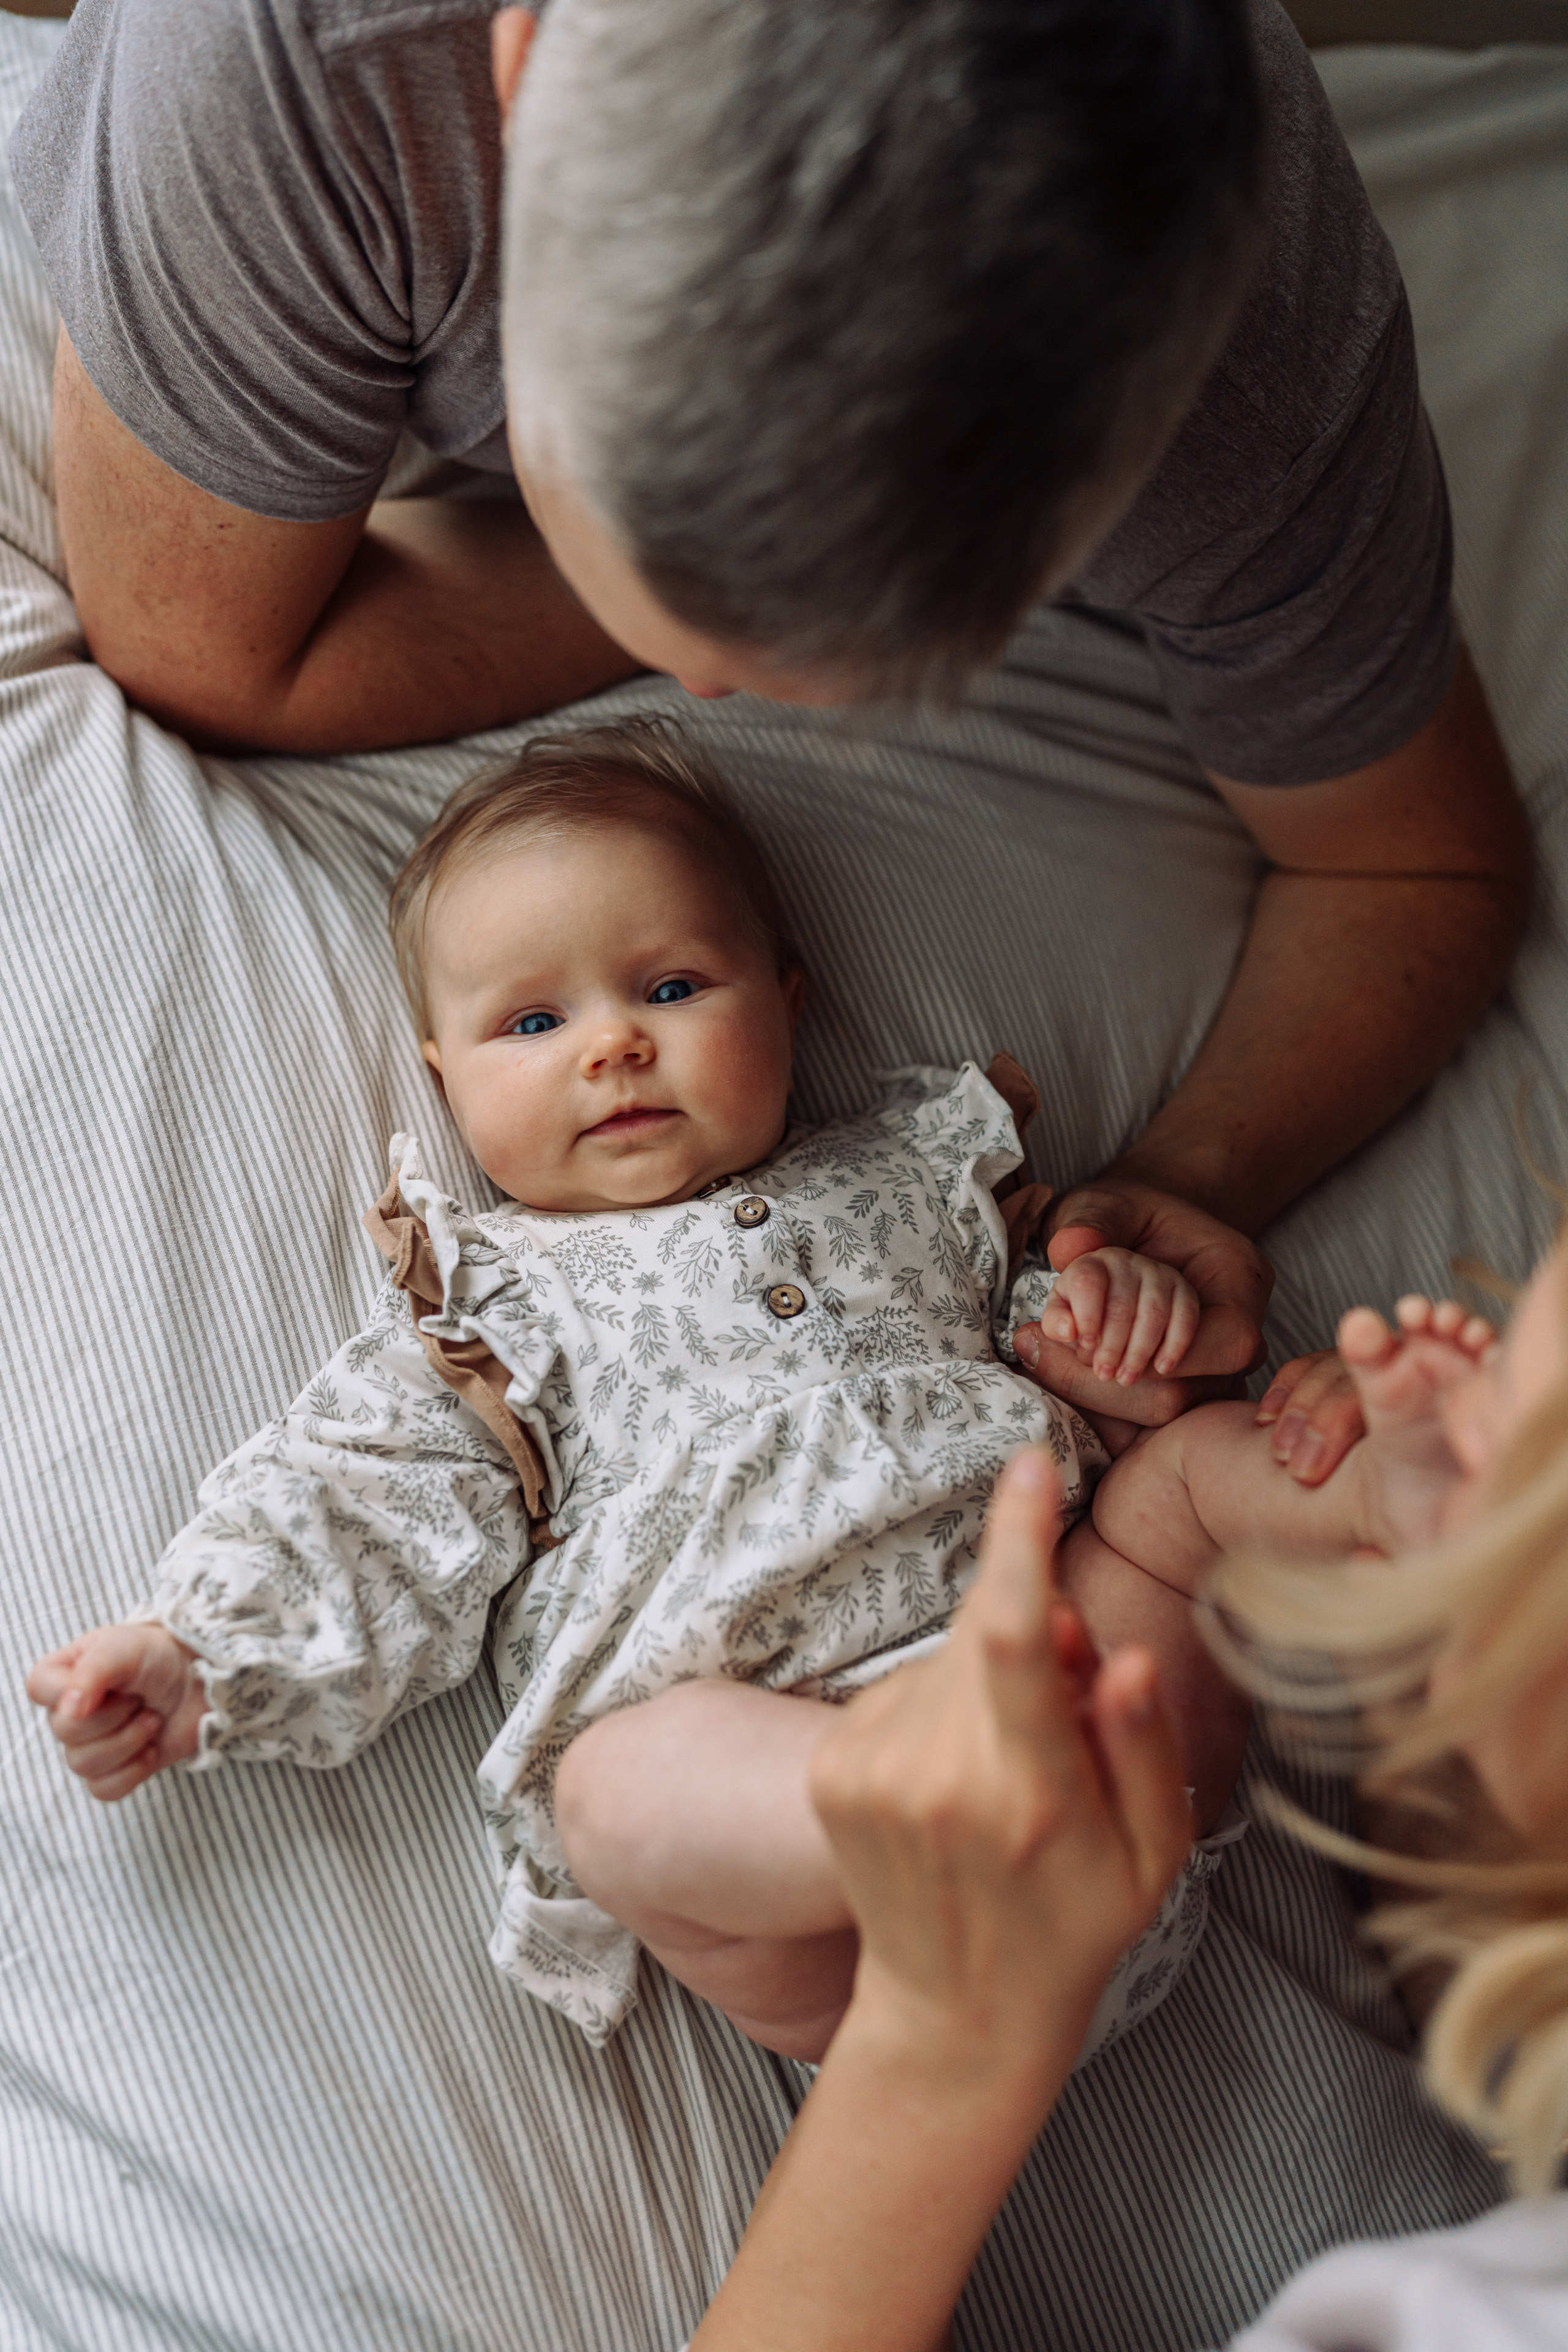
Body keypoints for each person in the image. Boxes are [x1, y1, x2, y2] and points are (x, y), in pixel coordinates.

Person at [6, 0, 1532, 1474]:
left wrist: (1193, 1175)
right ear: (525, 83)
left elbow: (1414, 869)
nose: (707, 702)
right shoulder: (297, 59)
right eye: (689, 610)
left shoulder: (1254, 351)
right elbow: (201, 654)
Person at [26, 716, 1261, 2061]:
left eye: (670, 989)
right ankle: (897, 1784)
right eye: (535, 1021)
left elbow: (1077, 1378)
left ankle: (1383, 1487)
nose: (611, 1047)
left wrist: (1110, 1338)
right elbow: (370, 1503)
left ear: (785, 1003)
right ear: (445, 1076)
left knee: (1198, 1482)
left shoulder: (917, 1186)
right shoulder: (494, 1310)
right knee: (614, 1789)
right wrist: (210, 1653)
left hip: (1087, 1731)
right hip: (826, 1898)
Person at [685, 1240, 1568, 2349]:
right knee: (1192, 1484)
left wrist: (946, 2034)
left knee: (606, 1785)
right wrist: (1360, 1501)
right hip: (1112, 1794)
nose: (1457, 1411)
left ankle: (895, 1792)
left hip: (924, 1928)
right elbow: (1476, 1955)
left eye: (1511, 1448)